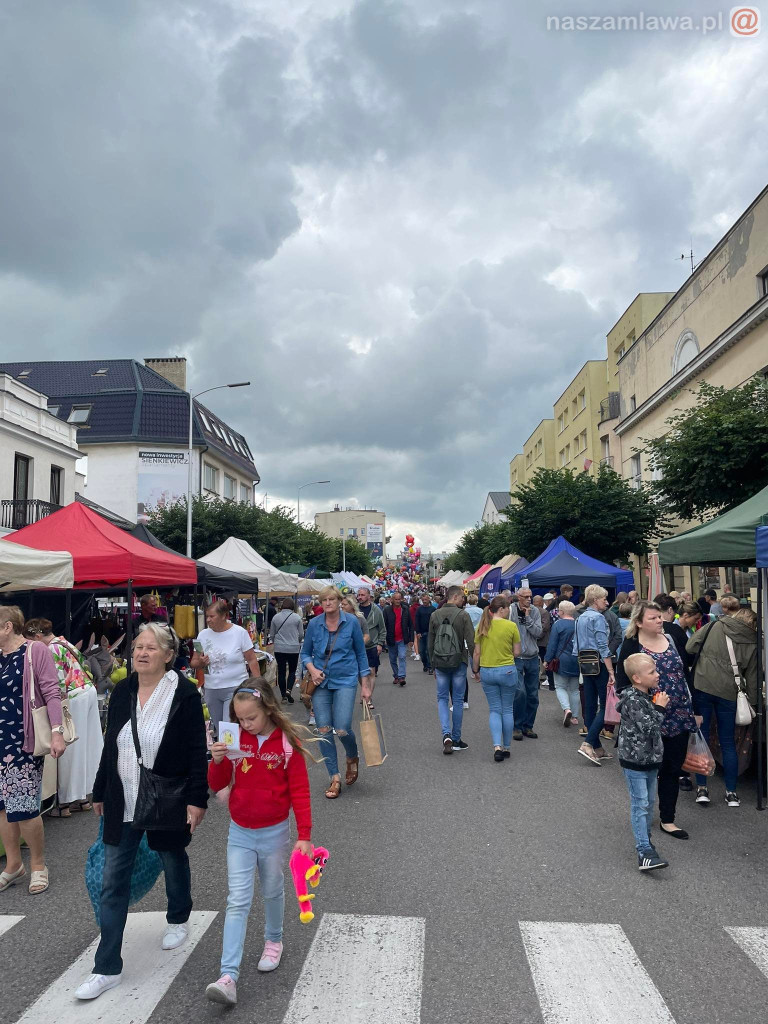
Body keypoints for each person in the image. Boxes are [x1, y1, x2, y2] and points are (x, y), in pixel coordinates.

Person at [77, 623, 208, 1000]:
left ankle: (179, 915)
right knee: (112, 879)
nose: (141, 653)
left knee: (171, 855)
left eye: (151, 648)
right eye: (137, 647)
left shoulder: (183, 692)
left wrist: (196, 799)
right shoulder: (122, 690)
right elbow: (110, 747)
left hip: (167, 794)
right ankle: (107, 968)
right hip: (123, 797)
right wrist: (100, 789)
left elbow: (195, 751)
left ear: (169, 655)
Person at [205, 683, 314, 1004]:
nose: (245, 724)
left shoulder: (287, 744)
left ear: (267, 708)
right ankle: (228, 976)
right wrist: (218, 760)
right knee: (237, 899)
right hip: (239, 831)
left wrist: (304, 835)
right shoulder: (234, 737)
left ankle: (274, 941)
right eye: (239, 719)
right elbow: (218, 783)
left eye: (250, 718)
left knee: (272, 889)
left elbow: (301, 792)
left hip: (274, 832)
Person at [616, 602, 696, 839]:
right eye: (653, 618)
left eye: (660, 617)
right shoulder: (632, 644)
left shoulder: (671, 639)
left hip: (679, 713)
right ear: (639, 622)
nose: (660, 621)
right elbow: (623, 684)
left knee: (673, 767)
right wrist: (646, 706)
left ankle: (668, 819)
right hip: (648, 716)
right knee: (650, 768)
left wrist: (695, 709)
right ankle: (644, 812)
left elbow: (684, 674)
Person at [0, 607, 65, 896]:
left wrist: (56, 732)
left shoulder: (35, 651)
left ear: (7, 627)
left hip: (21, 741)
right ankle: (14, 865)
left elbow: (51, 691)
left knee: (24, 808)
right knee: (2, 807)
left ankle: (38, 865)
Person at [23, 618, 103, 816]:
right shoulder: (63, 641)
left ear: (38, 636)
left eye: (30, 640)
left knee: (69, 747)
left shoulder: (50, 649)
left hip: (72, 697)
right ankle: (82, 796)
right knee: (85, 746)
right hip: (87, 690)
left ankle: (65, 802)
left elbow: (57, 682)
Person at [300, 586, 371, 799]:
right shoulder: (314, 624)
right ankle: (335, 776)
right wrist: (312, 670)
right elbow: (305, 653)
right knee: (323, 730)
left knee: (341, 728)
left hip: (346, 680)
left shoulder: (352, 623)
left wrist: (365, 686)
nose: (328, 603)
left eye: (332, 599)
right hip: (320, 683)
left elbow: (360, 654)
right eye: (324, 600)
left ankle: (352, 755)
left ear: (340, 601)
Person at [686, 606, 758, 809]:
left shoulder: (714, 626)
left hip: (702, 686)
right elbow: (752, 676)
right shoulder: (752, 640)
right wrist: (752, 703)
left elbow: (691, 647)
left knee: (702, 737)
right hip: (729, 693)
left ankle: (702, 789)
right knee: (728, 742)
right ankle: (732, 793)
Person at [617, 653, 671, 872]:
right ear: (637, 678)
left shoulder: (646, 695)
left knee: (648, 803)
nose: (657, 675)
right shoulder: (632, 699)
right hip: (634, 761)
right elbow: (649, 728)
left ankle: (646, 841)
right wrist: (660, 707)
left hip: (650, 760)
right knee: (640, 804)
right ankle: (644, 851)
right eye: (652, 672)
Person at [191, 600, 261, 738]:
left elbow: (251, 659)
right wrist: (200, 662)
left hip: (235, 687)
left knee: (228, 729)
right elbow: (193, 662)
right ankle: (230, 755)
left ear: (224, 616)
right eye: (207, 616)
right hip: (212, 689)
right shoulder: (203, 635)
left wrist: (259, 684)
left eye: (212, 616)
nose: (208, 620)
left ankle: (232, 756)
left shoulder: (239, 632)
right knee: (219, 727)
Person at [471, 596, 521, 760]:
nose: (509, 611)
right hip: (507, 670)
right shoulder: (511, 626)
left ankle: (496, 746)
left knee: (494, 709)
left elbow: (476, 653)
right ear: (502, 609)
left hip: (487, 671)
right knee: (507, 709)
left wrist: (475, 670)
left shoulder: (481, 626)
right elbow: (517, 653)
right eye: (508, 608)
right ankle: (506, 747)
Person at [427, 585, 475, 754]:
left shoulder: (434, 615)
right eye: (462, 597)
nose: (464, 600)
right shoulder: (463, 615)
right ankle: (456, 738)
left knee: (441, 698)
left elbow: (430, 643)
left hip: (440, 662)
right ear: (454, 597)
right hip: (458, 661)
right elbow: (471, 641)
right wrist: (475, 665)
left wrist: (432, 665)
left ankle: (446, 733)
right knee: (458, 700)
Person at [574, 584, 615, 765]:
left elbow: (576, 645)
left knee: (590, 705)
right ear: (595, 600)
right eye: (604, 599)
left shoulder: (581, 617)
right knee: (606, 706)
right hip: (599, 662)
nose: (606, 602)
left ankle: (597, 747)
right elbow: (602, 645)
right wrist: (611, 671)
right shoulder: (597, 618)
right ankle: (589, 743)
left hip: (585, 662)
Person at [507, 589, 543, 740]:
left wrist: (528, 618)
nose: (529, 599)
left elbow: (538, 633)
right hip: (517, 657)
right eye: (526, 597)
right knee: (520, 692)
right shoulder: (511, 610)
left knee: (533, 694)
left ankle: (528, 726)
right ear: (518, 597)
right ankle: (517, 726)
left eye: (531, 596)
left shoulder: (535, 611)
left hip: (533, 657)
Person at [544, 600, 580, 727]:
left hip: (561, 660)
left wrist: (547, 660)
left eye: (559, 609)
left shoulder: (558, 625)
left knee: (560, 686)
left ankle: (567, 709)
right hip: (577, 659)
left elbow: (552, 645)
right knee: (575, 689)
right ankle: (575, 717)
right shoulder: (578, 624)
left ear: (562, 612)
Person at [268, 599, 304, 705]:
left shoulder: (276, 617)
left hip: (279, 648)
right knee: (292, 670)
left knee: (282, 671)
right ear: (293, 606)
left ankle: (283, 695)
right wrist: (295, 642)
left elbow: (272, 634)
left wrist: (277, 642)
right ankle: (289, 690)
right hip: (293, 648)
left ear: (282, 606)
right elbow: (301, 634)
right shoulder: (297, 618)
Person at [356, 587, 386, 694]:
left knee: (371, 672)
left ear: (369, 596)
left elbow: (382, 628)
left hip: (372, 645)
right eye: (358, 595)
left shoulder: (376, 610)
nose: (360, 597)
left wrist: (380, 643)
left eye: (362, 595)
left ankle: (368, 697)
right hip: (357, 646)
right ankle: (365, 691)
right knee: (360, 672)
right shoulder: (355, 610)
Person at [382, 590, 414, 686]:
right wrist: (383, 638)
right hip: (391, 638)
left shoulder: (405, 609)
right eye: (395, 599)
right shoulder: (387, 610)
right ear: (392, 600)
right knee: (392, 659)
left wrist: (411, 639)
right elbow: (383, 625)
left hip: (402, 638)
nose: (397, 601)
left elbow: (411, 625)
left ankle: (401, 676)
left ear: (401, 599)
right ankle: (396, 675)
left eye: (399, 599)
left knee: (402, 656)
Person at [533, 595, 553, 689]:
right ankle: (552, 684)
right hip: (543, 641)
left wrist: (534, 635)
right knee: (546, 662)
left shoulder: (529, 611)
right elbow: (545, 627)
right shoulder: (544, 612)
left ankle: (536, 684)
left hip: (534, 641)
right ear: (541, 602)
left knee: (535, 664)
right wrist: (538, 635)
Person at [414, 593, 436, 674]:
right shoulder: (419, 609)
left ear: (429, 599)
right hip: (421, 632)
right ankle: (425, 664)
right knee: (422, 651)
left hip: (430, 632)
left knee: (428, 650)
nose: (424, 601)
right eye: (423, 600)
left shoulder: (433, 609)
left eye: (426, 600)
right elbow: (416, 621)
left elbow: (435, 621)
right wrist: (418, 632)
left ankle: (430, 666)